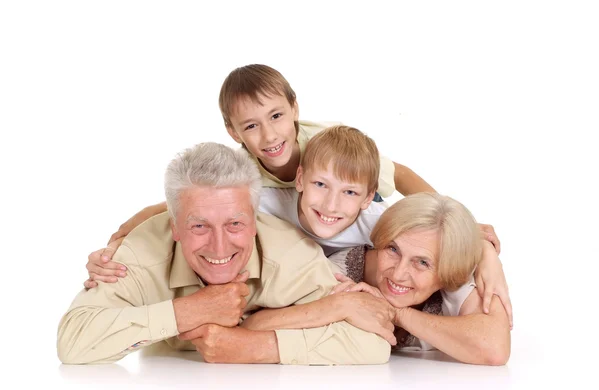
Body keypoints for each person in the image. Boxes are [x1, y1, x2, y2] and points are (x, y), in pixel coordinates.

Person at [85, 64, 501, 269]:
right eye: (251, 125)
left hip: (354, 211)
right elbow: (177, 207)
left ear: (295, 109)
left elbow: (402, 175)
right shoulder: (242, 169)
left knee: (385, 231)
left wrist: (457, 217)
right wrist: (120, 235)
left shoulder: (329, 146)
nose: (269, 136)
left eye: (277, 116)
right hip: (299, 224)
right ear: (233, 132)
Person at [85, 124, 512, 324]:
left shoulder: (381, 224)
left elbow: (436, 221)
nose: (330, 205)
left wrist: (485, 252)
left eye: (348, 193)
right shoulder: (273, 201)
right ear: (301, 179)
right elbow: (177, 208)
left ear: (367, 198)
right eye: (321, 185)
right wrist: (117, 242)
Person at [57, 142, 391, 365]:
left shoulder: (291, 255)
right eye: (199, 227)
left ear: (256, 222)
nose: (219, 247)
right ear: (174, 226)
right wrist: (189, 311)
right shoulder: (144, 251)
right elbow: (72, 342)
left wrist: (255, 346)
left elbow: (373, 342)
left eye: (234, 223)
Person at [239, 192, 511, 365]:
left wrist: (396, 313)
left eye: (422, 263)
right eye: (393, 249)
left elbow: (494, 348)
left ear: (446, 273)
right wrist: (335, 306)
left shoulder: (458, 274)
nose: (399, 273)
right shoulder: (340, 272)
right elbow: (255, 324)